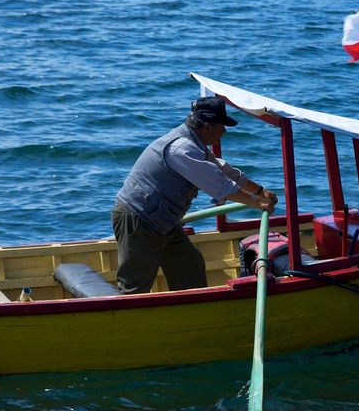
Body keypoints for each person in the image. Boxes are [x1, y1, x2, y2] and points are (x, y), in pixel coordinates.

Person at [112, 96, 278, 294]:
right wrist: (257, 204)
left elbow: (223, 170)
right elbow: (220, 185)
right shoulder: (182, 149)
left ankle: (191, 308)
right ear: (207, 127)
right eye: (222, 126)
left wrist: (259, 191)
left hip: (163, 222)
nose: (224, 131)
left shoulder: (193, 144)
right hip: (140, 220)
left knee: (189, 265)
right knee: (134, 288)